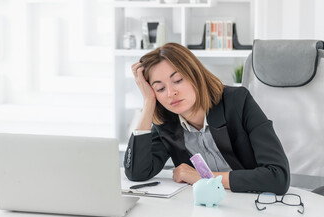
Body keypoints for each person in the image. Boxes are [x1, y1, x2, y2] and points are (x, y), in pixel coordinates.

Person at [124, 42, 290, 194]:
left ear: (195, 75)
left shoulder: (237, 102)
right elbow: (137, 173)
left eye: (178, 80)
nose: (170, 93)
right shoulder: (167, 123)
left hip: (252, 206)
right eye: (159, 89)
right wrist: (148, 102)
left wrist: (204, 177)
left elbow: (278, 177)